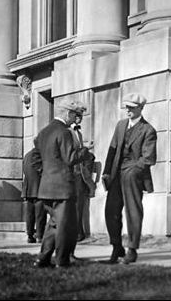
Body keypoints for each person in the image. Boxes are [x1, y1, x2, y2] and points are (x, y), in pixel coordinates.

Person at [32, 100, 91, 268]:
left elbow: (35, 160)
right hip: (62, 188)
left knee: (53, 224)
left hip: (46, 188)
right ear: (67, 113)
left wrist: (47, 174)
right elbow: (70, 158)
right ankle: (62, 261)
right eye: (75, 115)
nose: (75, 119)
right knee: (66, 226)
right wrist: (86, 151)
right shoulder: (64, 132)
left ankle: (42, 259)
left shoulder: (43, 132)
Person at [102, 93, 157, 264]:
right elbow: (112, 149)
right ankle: (116, 247)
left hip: (133, 175)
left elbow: (148, 158)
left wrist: (133, 170)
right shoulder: (121, 125)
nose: (128, 110)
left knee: (133, 212)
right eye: (127, 107)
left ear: (141, 108)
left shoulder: (148, 130)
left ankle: (132, 249)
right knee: (110, 211)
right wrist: (106, 172)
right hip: (116, 175)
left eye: (132, 107)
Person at [69, 104, 96, 242]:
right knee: (72, 205)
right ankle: (75, 232)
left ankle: (79, 232)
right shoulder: (68, 131)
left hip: (80, 173)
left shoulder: (78, 132)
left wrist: (86, 148)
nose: (79, 118)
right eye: (77, 115)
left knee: (79, 204)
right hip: (71, 173)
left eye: (81, 116)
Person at [22, 147, 46, 243]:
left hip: (28, 189)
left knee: (30, 214)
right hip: (39, 188)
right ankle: (40, 235)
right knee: (40, 214)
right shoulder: (40, 154)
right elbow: (42, 170)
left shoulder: (27, 155)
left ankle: (30, 235)